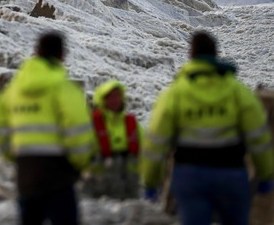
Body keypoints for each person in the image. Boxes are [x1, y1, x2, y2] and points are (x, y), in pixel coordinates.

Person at [141, 30, 274, 225]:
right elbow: (259, 138)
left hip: (190, 176)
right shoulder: (238, 91)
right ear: (215, 54)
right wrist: (266, 174)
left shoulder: (176, 93)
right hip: (231, 174)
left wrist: (150, 181)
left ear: (191, 55)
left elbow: (156, 141)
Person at [0, 31, 94, 225]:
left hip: (26, 169)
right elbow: (78, 129)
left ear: (36, 52)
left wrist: (14, 155)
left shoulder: (14, 89)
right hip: (59, 171)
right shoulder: (62, 88)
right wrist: (81, 162)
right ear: (62, 55)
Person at [83, 79, 142, 200]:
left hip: (129, 187)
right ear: (101, 100)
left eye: (117, 96)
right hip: (98, 187)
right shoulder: (90, 124)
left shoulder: (131, 123)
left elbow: (147, 149)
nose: (114, 100)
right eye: (109, 97)